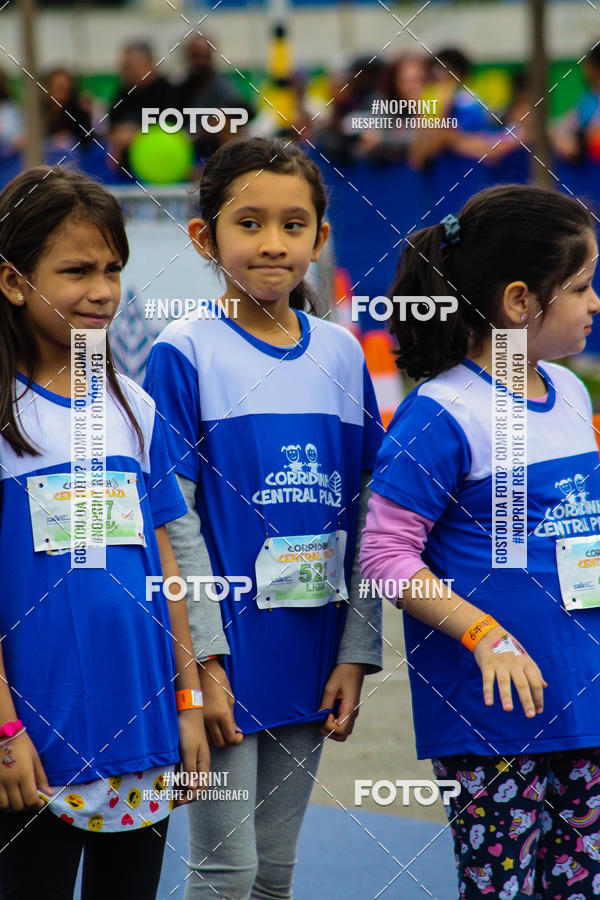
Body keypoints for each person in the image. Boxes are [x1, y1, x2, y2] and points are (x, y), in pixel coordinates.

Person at [142, 136, 383, 898]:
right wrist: (204, 662)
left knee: (275, 871)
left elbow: (372, 514)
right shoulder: (185, 349)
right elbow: (174, 519)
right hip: (227, 659)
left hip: (313, 654)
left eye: (293, 223)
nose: (272, 244)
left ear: (320, 235)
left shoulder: (343, 355)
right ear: (203, 236)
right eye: (249, 224)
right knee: (225, 871)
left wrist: (357, 650)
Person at [360, 184, 600, 899]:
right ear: (520, 301)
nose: (594, 303)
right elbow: (383, 557)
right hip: (494, 722)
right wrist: (483, 634)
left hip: (582, 699)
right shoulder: (440, 412)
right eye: (583, 287)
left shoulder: (572, 392)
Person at [0, 165, 209, 899]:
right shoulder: (6, 417)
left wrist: (187, 704)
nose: (102, 290)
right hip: (33, 747)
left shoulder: (135, 409)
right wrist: (5, 734)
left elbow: (164, 566)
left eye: (113, 269)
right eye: (77, 270)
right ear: (13, 282)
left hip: (143, 734)